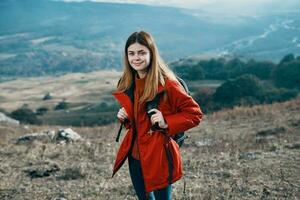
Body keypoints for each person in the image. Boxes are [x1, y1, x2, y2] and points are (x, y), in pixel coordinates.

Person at [112, 30, 203, 200]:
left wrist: (166, 121)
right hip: (136, 155)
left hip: (159, 154)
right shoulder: (128, 83)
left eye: (141, 53)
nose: (136, 58)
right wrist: (125, 117)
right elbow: (139, 121)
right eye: (131, 53)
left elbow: (195, 114)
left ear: (151, 54)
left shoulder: (167, 83)